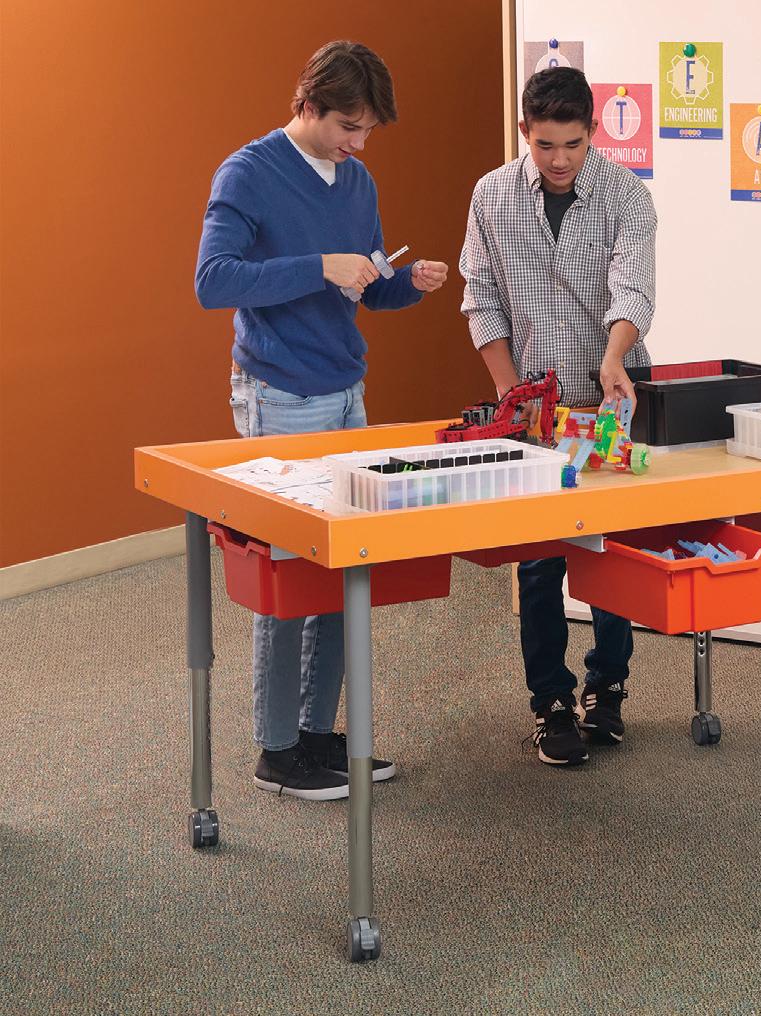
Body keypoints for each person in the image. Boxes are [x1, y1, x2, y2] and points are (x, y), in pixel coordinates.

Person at [195, 40, 448, 800]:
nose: (358, 144)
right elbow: (213, 282)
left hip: (345, 393)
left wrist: (406, 282)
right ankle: (276, 750)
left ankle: (315, 734)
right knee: (286, 573)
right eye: (347, 126)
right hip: (281, 396)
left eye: (367, 131)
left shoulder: (357, 179)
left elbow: (365, 288)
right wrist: (319, 267)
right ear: (307, 104)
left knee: (345, 567)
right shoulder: (248, 173)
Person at [459, 66, 655, 766]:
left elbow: (634, 290)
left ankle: (608, 686)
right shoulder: (491, 195)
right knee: (538, 560)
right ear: (525, 132)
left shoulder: (626, 196)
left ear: (593, 131)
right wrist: (512, 395)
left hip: (609, 395)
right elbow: (481, 298)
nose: (560, 159)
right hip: (532, 406)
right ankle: (549, 700)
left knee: (608, 553)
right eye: (545, 145)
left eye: (573, 144)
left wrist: (614, 358)